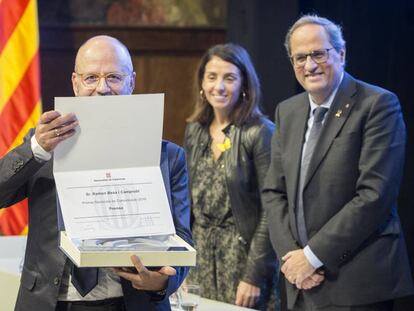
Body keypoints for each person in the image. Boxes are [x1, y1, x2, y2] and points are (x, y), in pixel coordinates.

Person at [0, 35, 192, 311]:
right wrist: (37, 150)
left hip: (131, 303)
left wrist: (161, 283)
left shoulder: (168, 157)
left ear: (132, 82)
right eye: (91, 78)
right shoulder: (42, 144)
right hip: (51, 303)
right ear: (75, 83)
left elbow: (182, 237)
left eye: (114, 76)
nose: (102, 88)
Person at [263, 14, 414, 311]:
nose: (310, 65)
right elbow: (273, 192)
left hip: (358, 285)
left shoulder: (378, 105)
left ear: (341, 53)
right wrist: (293, 258)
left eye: (319, 53)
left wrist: (312, 257)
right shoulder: (287, 111)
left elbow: (375, 196)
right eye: (300, 57)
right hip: (300, 283)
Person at [184, 43, 279, 310]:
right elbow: (185, 204)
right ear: (202, 82)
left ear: (244, 84)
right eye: (212, 77)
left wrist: (254, 275)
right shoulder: (195, 130)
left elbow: (272, 211)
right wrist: (179, 266)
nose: (219, 86)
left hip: (242, 260)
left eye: (229, 78)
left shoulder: (260, 133)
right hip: (199, 260)